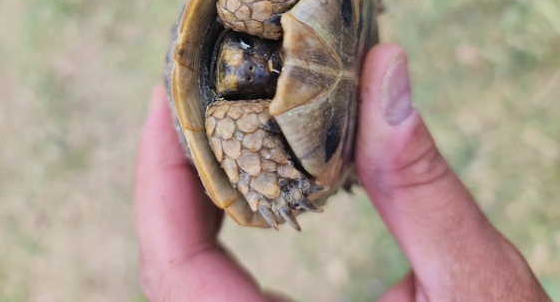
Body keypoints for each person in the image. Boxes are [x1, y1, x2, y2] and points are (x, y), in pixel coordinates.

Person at [135, 43, 551, 302]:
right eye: (243, 75)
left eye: (251, 53)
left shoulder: (242, 11)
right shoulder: (228, 124)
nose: (248, 68)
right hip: (299, 138)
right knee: (229, 128)